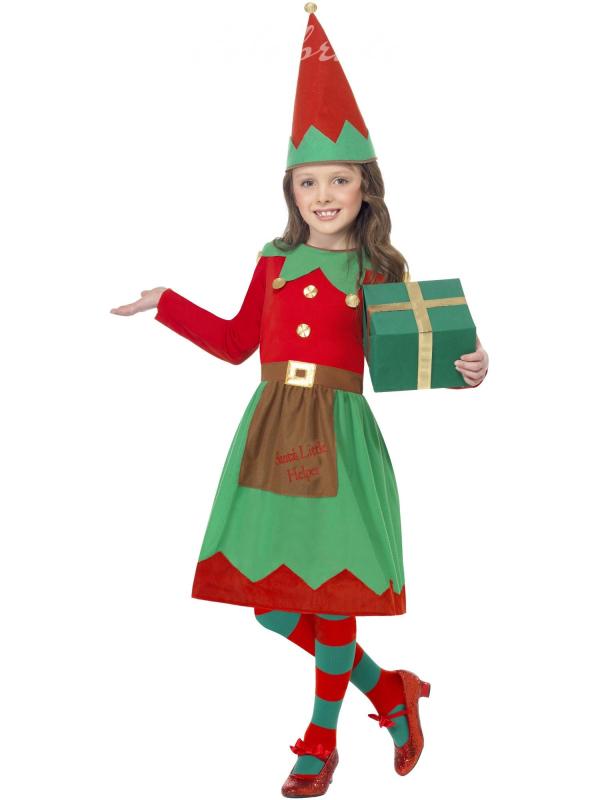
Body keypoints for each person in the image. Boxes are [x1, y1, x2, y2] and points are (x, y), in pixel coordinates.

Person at [111, 6, 489, 797]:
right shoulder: (274, 261)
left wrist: (470, 366)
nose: (324, 194)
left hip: (340, 440)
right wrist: (168, 304)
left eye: (339, 179)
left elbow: (406, 359)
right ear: (291, 190)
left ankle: (321, 739)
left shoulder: (379, 270)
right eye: (309, 181)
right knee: (274, 603)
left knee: (332, 587)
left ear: (364, 187)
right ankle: (389, 690)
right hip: (272, 432)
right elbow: (234, 344)